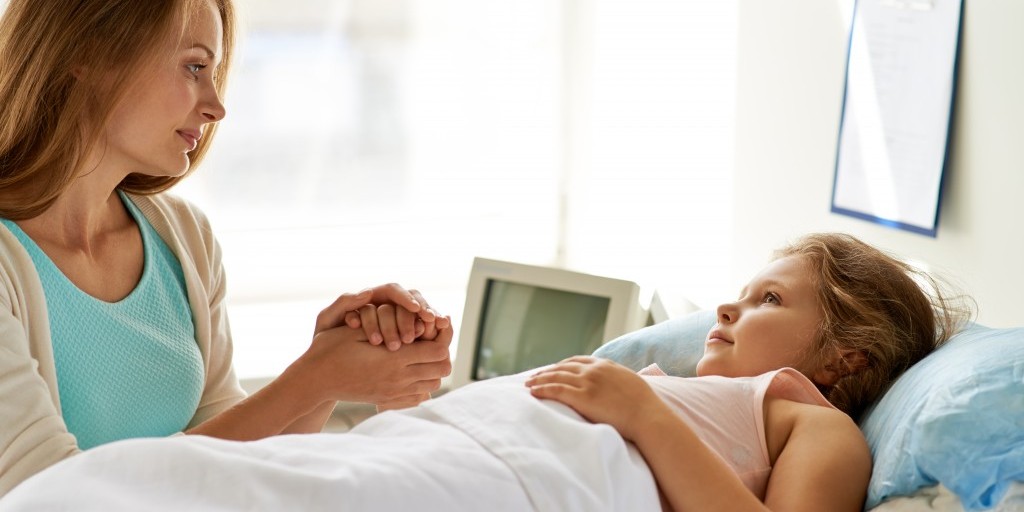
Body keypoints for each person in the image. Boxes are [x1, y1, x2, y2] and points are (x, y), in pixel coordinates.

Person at [0, 233, 971, 511]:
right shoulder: (687, 376)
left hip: (522, 480)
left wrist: (637, 405)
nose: (724, 308)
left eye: (765, 301)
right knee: (174, 478)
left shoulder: (814, 423)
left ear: (843, 357)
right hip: (441, 442)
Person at [0, 0, 452, 496]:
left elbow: (234, 466)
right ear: (87, 54)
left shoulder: (184, 238)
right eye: (194, 66)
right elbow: (49, 494)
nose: (217, 106)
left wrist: (331, 372)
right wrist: (310, 380)